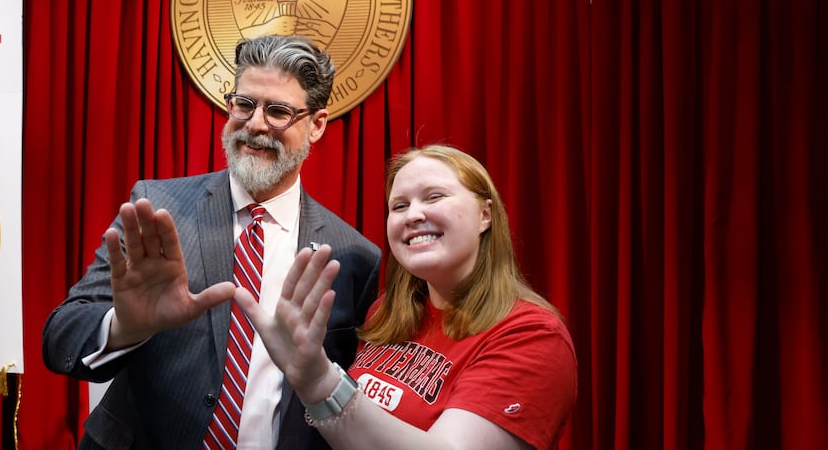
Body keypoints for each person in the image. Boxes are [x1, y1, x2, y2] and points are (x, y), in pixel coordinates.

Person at [42, 34, 381, 449]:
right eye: (244, 104)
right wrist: (124, 327)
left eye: (277, 111)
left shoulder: (355, 257)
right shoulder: (158, 207)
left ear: (316, 125)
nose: (256, 124)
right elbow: (61, 336)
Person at [237, 145, 578, 450]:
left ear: (485, 215)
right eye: (399, 205)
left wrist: (319, 381)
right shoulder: (385, 315)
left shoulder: (532, 336)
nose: (413, 215)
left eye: (434, 197)